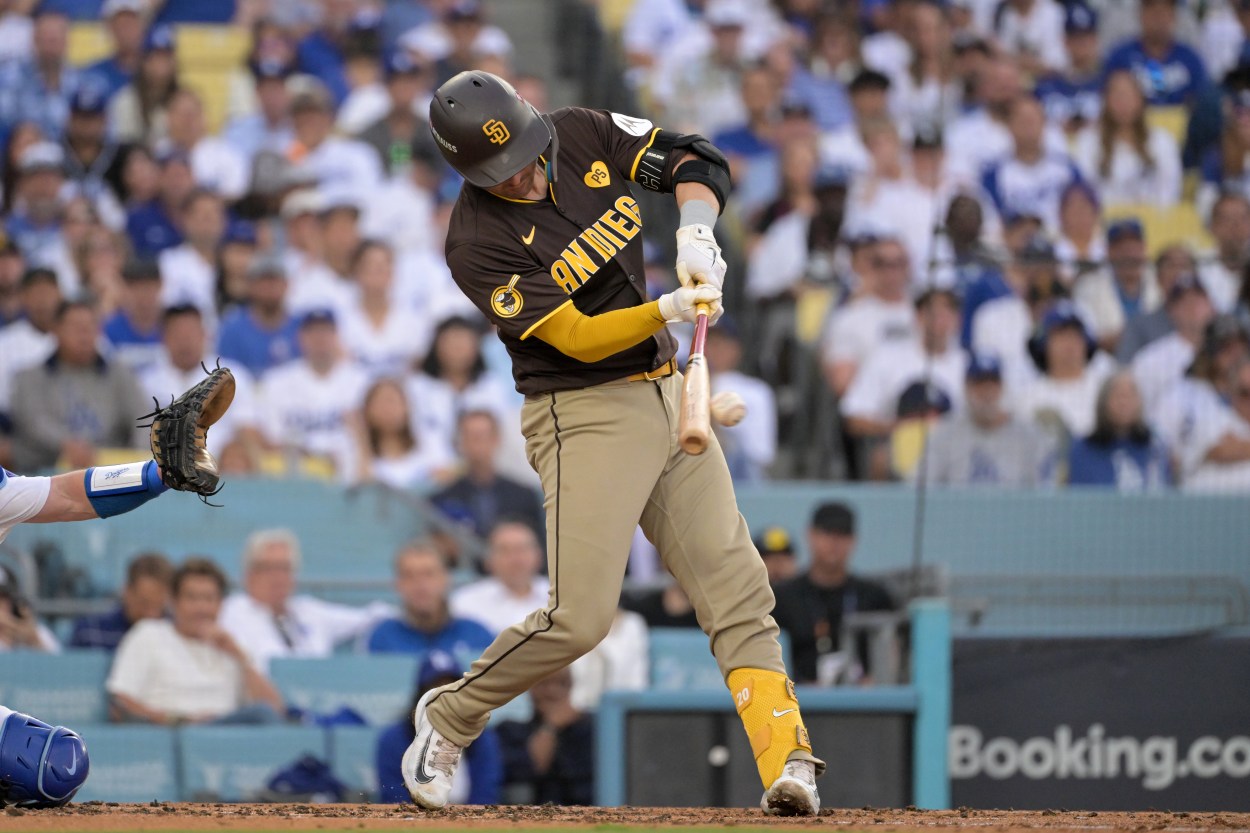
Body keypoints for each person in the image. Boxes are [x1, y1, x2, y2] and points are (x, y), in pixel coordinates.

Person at [402, 69, 822, 816]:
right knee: (582, 617)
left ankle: (787, 757)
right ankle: (450, 714)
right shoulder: (474, 242)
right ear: (470, 174)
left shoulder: (583, 131)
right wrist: (666, 302)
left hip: (666, 386)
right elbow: (574, 337)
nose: (528, 174)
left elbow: (695, 159)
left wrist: (697, 228)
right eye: (506, 171)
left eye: (530, 152)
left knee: (738, 587)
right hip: (581, 410)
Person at [106, 557, 286, 725]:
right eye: (192, 598)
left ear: (221, 604)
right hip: (173, 731)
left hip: (227, 736)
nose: (201, 608)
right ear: (173, 602)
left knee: (267, 715)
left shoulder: (230, 644)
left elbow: (275, 710)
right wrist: (178, 720)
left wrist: (239, 656)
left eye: (209, 599)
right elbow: (120, 703)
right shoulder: (149, 634)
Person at [219, 529, 385, 674]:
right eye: (268, 568)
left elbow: (371, 616)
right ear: (249, 575)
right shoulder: (231, 612)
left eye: (285, 568)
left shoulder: (309, 611)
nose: (278, 578)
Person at [10, 300, 148, 471]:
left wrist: (139, 454)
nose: (84, 336)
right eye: (76, 328)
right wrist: (66, 444)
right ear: (56, 330)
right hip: (48, 466)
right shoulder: (30, 377)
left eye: (90, 328)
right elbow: (34, 422)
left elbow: (143, 415)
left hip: (111, 467)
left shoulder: (120, 373)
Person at [770, 503, 895, 685]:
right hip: (796, 701)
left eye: (843, 535)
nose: (834, 543)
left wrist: (876, 682)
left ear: (853, 540)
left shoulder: (874, 596)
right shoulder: (783, 596)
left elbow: (892, 652)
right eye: (827, 533)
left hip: (863, 702)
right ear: (810, 535)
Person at [376, 651, 503, 805]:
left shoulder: (482, 737)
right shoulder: (394, 738)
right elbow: (393, 796)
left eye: (451, 688)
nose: (445, 698)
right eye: (436, 689)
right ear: (420, 695)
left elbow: (485, 793)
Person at [255, 308, 369, 479]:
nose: (319, 339)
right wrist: (315, 457)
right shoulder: (276, 382)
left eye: (325, 332)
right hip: (294, 481)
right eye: (312, 333)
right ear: (300, 338)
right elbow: (268, 441)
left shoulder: (362, 381)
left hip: (351, 481)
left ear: (337, 336)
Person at [923, 353, 1055, 486]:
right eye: (979, 385)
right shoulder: (946, 434)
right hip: (960, 507)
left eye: (992, 385)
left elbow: (1047, 495)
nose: (987, 393)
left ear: (1002, 387)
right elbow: (920, 486)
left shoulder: (1029, 437)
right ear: (966, 388)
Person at [366, 541, 494, 666]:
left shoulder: (477, 635)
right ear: (398, 584)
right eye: (409, 576)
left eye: (428, 574)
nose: (420, 584)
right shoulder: (382, 638)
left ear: (446, 579)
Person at [1071, 69, 1182, 207]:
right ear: (1105, 100)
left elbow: (1169, 194)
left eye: (1129, 96)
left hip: (1154, 222)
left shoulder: (1162, 141)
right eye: (1117, 96)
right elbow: (1086, 193)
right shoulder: (1087, 141)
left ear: (1140, 100)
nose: (1123, 103)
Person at [430, 410, 543, 540]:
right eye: (469, 437)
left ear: (497, 439)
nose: (477, 445)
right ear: (460, 443)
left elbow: (539, 547)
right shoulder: (443, 500)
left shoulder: (524, 497)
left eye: (482, 436)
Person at [495, 667, 595, 806]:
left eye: (561, 683)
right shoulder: (510, 731)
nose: (552, 692)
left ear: (571, 687)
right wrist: (550, 728)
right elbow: (529, 768)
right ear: (530, 687)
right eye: (543, 684)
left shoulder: (593, 730)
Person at [1068, 372, 1172, 489]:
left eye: (1130, 396)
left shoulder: (1154, 448)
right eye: (1118, 396)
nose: (1124, 403)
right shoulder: (1081, 450)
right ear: (1103, 402)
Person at [1072, 218, 1160, 353]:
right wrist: (1134, 336)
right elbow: (1086, 340)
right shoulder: (1088, 286)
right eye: (1122, 249)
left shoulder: (1159, 282)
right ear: (1109, 252)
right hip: (1105, 365)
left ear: (1144, 249)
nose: (1129, 254)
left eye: (1133, 248)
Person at [1131, 273, 1215, 411]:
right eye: (1184, 302)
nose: (1192, 307)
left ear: (1211, 306)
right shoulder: (1150, 359)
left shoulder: (1226, 354)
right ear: (1171, 311)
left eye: (1198, 300)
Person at [449, 520, 550, 635]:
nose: (515, 559)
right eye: (505, 551)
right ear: (489, 559)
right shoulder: (464, 603)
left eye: (522, 549)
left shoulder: (562, 598)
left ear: (539, 555)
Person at [1103, 0, 1208, 107]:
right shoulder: (1121, 58)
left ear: (1174, 16)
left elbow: (1202, 102)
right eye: (1153, 12)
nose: (1158, 19)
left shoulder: (1190, 60)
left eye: (1164, 12)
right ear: (1141, 14)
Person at [215, 255, 301, 378]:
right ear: (250, 286)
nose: (269, 289)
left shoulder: (301, 328)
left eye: (274, 281)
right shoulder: (233, 331)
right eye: (263, 282)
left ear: (286, 285)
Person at [68, 552, 173, 651]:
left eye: (158, 606)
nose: (151, 614)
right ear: (126, 591)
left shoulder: (176, 636)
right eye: (144, 604)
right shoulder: (89, 632)